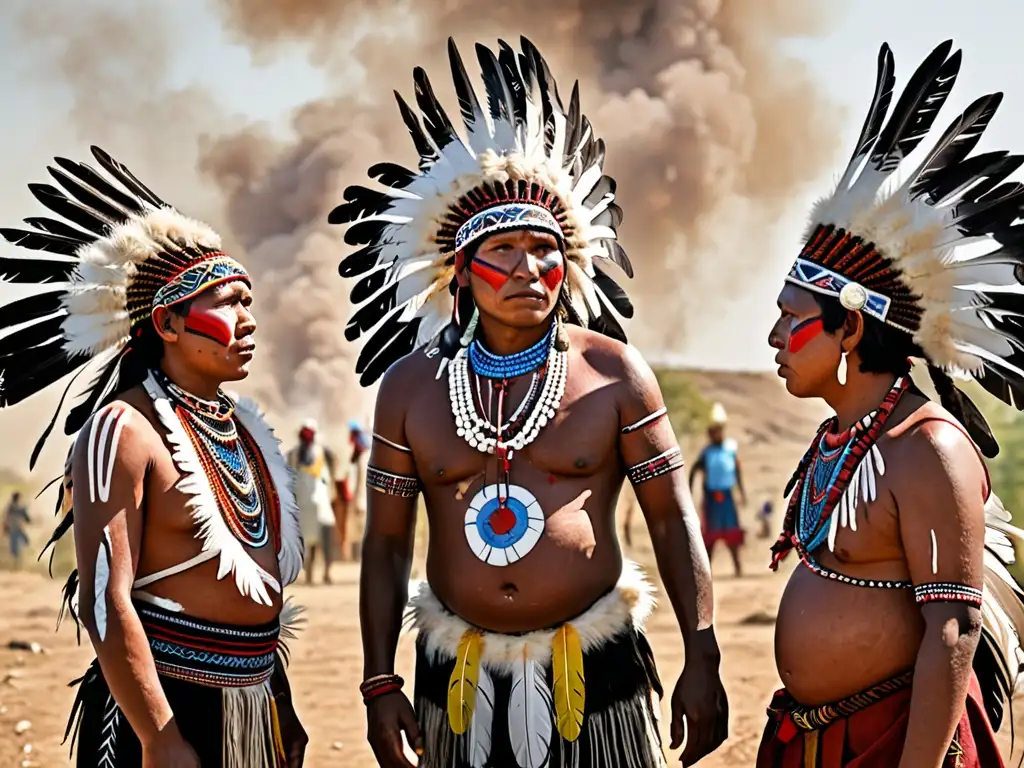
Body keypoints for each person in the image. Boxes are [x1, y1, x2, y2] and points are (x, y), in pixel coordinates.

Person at [331, 37, 728, 768]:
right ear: (461, 273)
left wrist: (703, 658)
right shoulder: (412, 387)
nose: (529, 268)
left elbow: (672, 519)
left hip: (596, 669)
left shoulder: (613, 373)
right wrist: (379, 680)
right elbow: (386, 543)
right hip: (457, 676)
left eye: (545, 249)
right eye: (504, 250)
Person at [760, 41, 1024, 766]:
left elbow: (952, 632)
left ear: (848, 326)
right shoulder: (844, 437)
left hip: (897, 745)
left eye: (791, 318)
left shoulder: (925, 448)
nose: (775, 336)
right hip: (816, 739)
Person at [0, 147, 307, 766]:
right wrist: (160, 736)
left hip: (257, 702)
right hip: (164, 707)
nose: (247, 320)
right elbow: (104, 599)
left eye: (249, 302)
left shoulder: (247, 431)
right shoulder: (123, 429)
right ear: (168, 323)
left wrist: (281, 705)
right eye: (227, 302)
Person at [689, 403, 746, 577]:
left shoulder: (730, 448)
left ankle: (738, 568)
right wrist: (689, 492)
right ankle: (706, 571)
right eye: (712, 431)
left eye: (718, 430)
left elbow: (737, 471)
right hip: (711, 499)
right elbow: (694, 470)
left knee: (732, 534)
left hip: (727, 496)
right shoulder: (706, 453)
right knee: (710, 537)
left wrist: (742, 492)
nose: (715, 434)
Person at [288, 418, 344, 583]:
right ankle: (322, 573)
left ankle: (314, 574)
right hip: (317, 504)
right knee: (321, 539)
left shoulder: (294, 454)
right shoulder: (320, 452)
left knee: (310, 540)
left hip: (308, 504)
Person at [3, 491, 30, 568]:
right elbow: (6, 519)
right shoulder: (12, 507)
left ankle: (18, 563)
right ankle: (15, 565)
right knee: (15, 548)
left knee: (24, 542)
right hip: (13, 529)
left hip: (17, 529)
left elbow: (26, 518)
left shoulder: (18, 507)